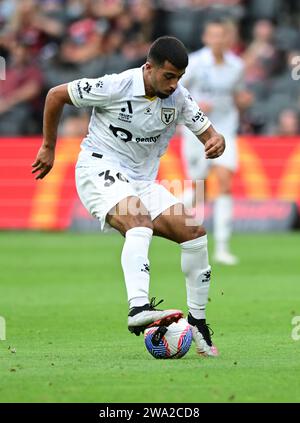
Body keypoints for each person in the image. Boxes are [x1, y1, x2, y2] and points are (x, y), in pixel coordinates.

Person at [32, 36, 225, 357]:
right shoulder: (116, 85)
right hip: (98, 168)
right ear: (148, 68)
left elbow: (209, 132)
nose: (174, 84)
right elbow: (56, 95)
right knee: (139, 222)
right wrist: (49, 146)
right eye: (168, 76)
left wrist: (217, 141)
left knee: (195, 234)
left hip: (142, 182)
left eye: (179, 77)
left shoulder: (178, 98)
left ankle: (198, 323)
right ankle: (138, 308)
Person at [181, 19, 252, 265]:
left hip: (226, 130)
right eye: (213, 35)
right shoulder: (195, 63)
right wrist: (197, 107)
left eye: (222, 35)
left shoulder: (237, 66)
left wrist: (243, 101)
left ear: (227, 39)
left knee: (223, 181)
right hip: (196, 131)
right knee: (198, 189)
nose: (218, 40)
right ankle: (166, 216)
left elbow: (237, 94)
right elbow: (175, 90)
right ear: (206, 38)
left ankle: (222, 246)